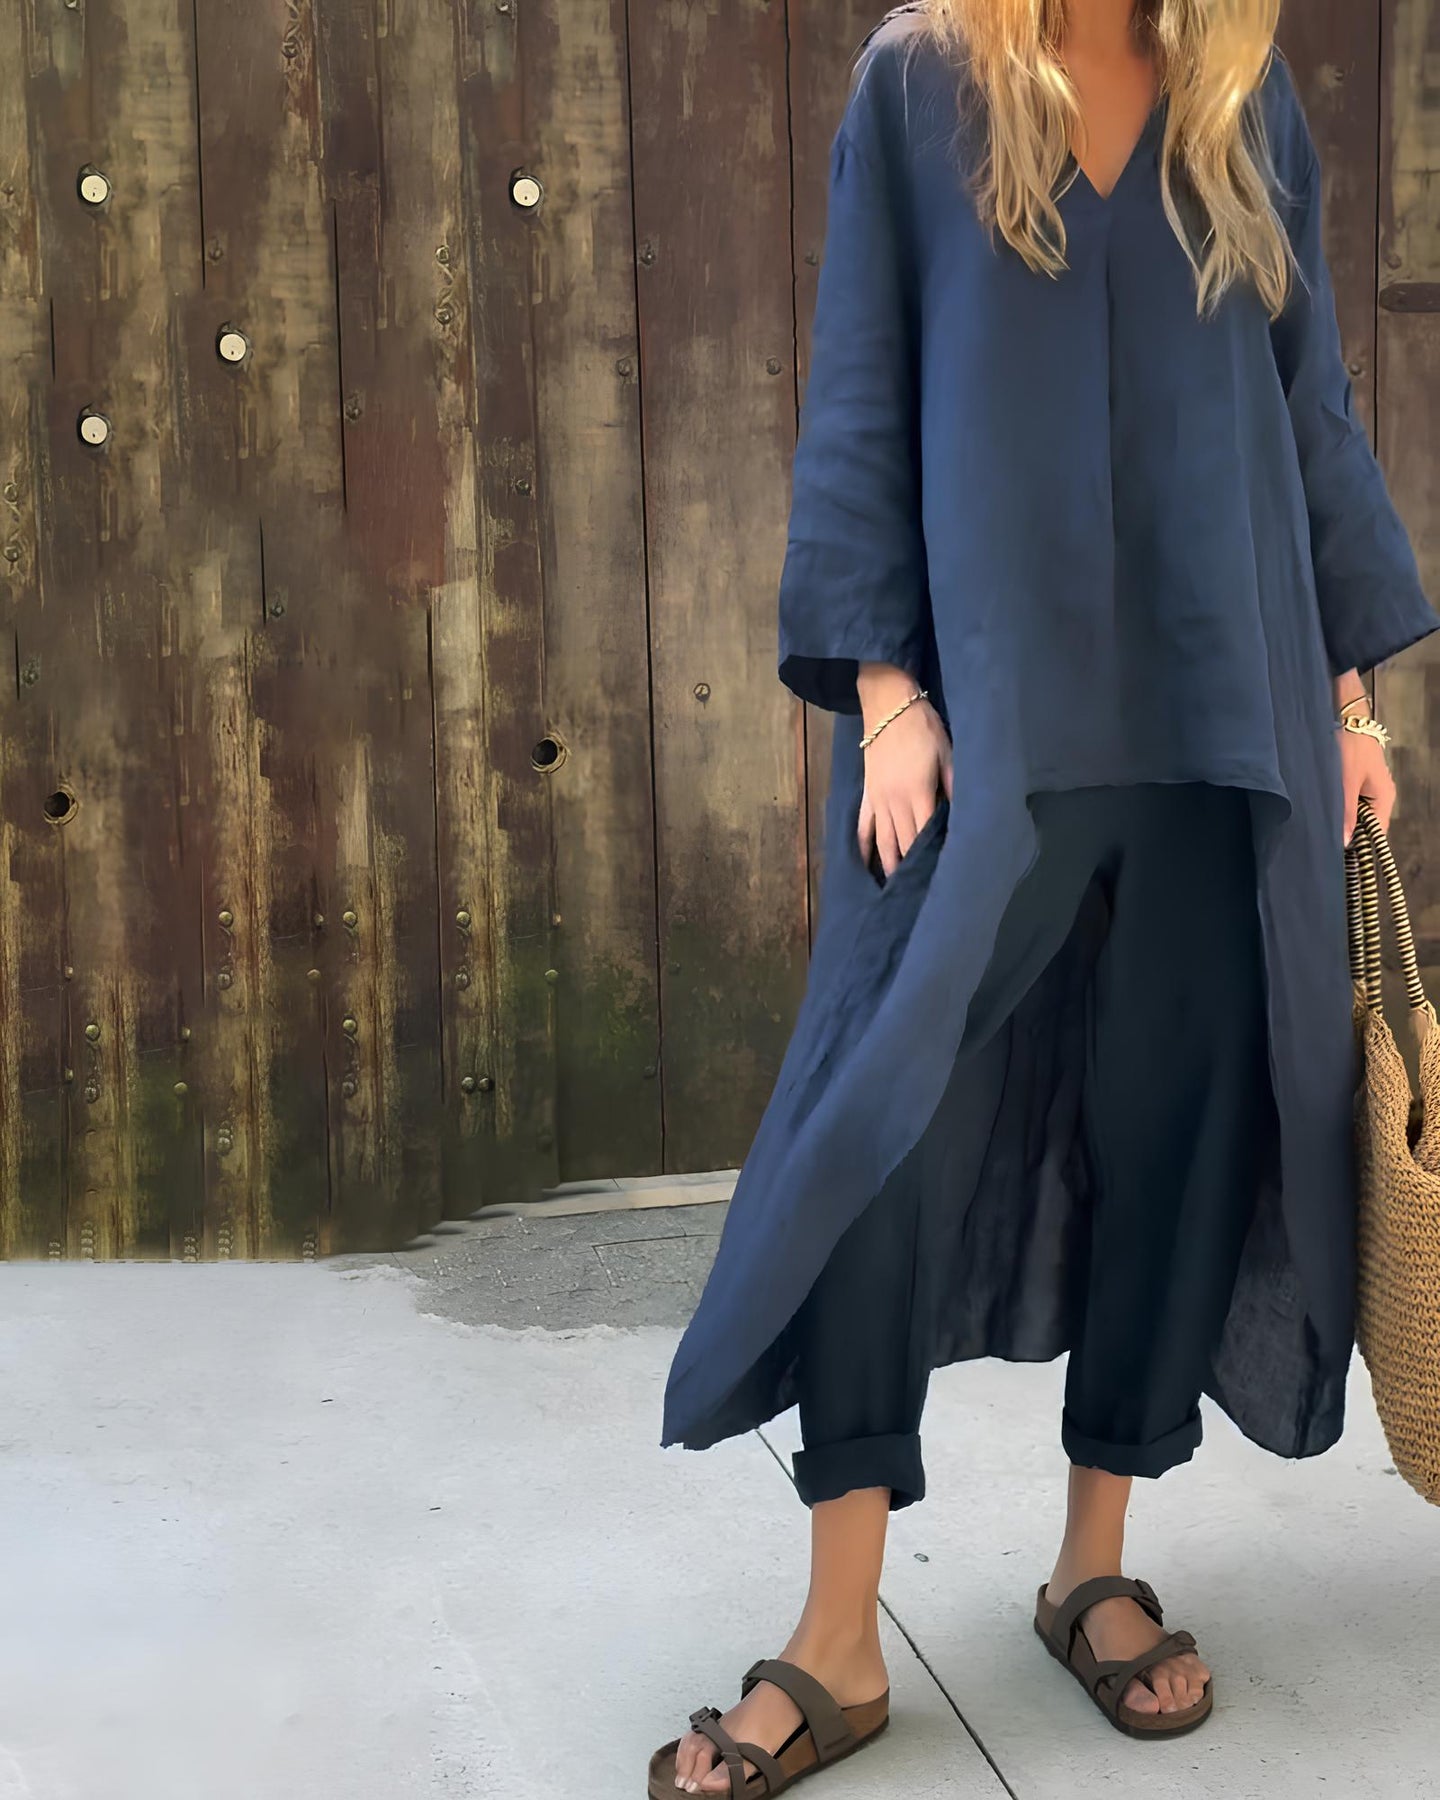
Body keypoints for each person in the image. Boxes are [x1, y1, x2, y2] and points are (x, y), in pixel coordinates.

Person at [647, 2, 1439, 1793]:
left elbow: (1303, 399)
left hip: (1224, 717)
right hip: (984, 723)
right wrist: (885, 696)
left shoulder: (1241, 99)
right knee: (876, 1132)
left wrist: (1346, 702)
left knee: (1179, 1124)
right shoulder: (921, 85)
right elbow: (862, 390)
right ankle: (839, 1637)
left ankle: (1095, 1563)